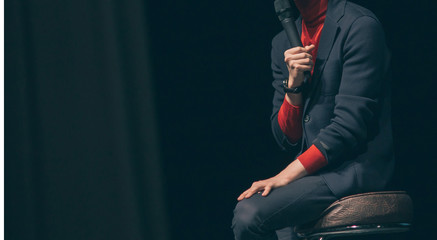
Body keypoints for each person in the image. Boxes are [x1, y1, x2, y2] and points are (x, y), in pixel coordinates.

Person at [232, 0, 394, 239]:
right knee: (277, 226)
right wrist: (294, 86)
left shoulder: (358, 26)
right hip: (312, 175)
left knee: (249, 213)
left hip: (352, 169)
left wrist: (285, 176)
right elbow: (287, 138)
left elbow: (348, 127)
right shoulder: (281, 43)